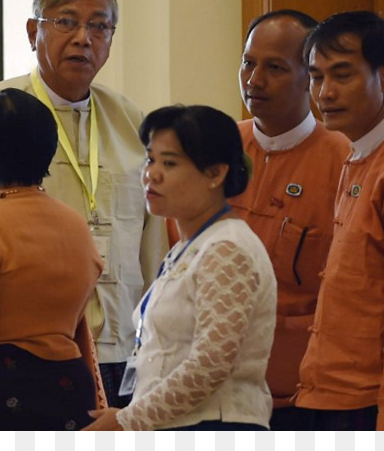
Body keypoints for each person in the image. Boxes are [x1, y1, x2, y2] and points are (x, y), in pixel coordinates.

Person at [0, 0, 168, 429]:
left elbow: (154, 249)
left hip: (126, 351)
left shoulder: (132, 121)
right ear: (34, 31)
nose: (83, 39)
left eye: (99, 26)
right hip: (13, 361)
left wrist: (159, 351)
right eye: (66, 22)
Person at [84, 105, 276, 431]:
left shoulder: (228, 248)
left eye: (169, 163)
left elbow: (210, 364)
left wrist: (128, 421)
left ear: (215, 173)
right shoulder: (188, 247)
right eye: (149, 159)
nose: (151, 174)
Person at [294, 11, 384, 431]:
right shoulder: (359, 150)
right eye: (317, 77)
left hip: (371, 403)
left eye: (342, 75)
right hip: (329, 391)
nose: (325, 93)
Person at [0, 88, 103, 430]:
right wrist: (100, 399)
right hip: (71, 395)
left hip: (4, 398)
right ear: (49, 152)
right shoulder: (76, 226)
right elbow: (80, 331)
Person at [231, 9, 350, 430]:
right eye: (248, 62)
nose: (254, 80)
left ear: (310, 78)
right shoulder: (217, 148)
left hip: (300, 397)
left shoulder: (346, 162)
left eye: (275, 68)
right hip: (215, 387)